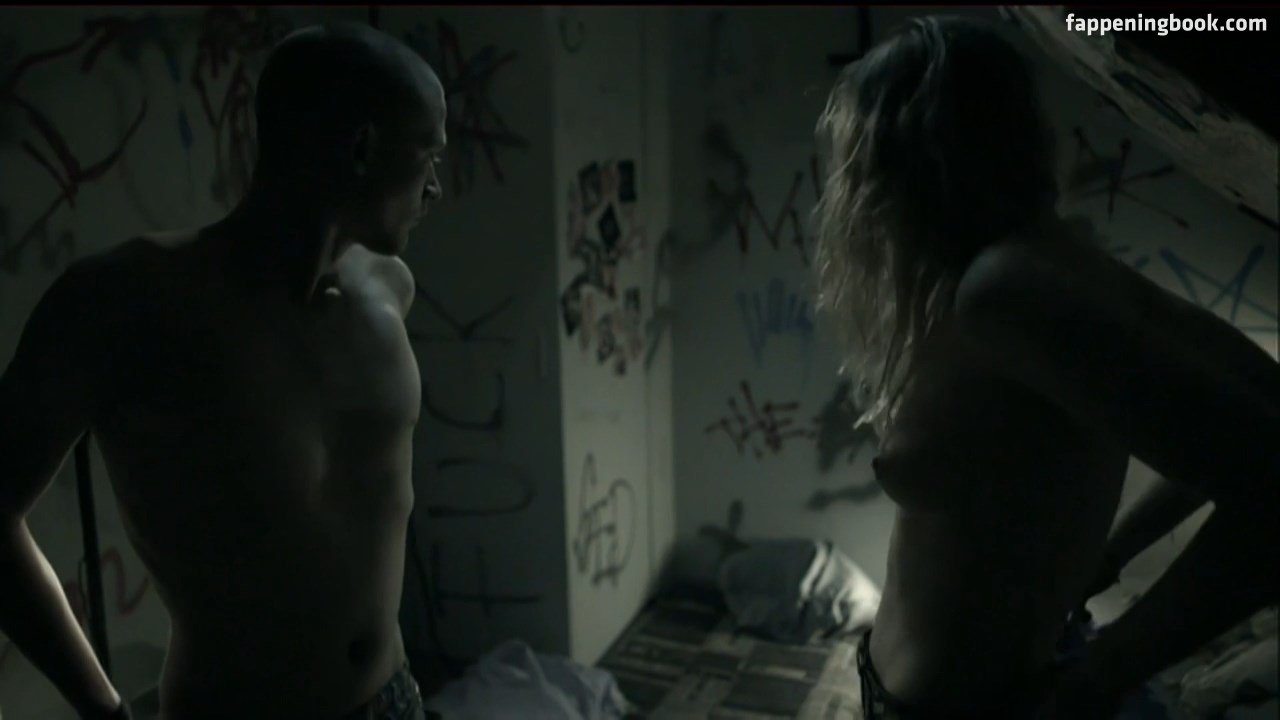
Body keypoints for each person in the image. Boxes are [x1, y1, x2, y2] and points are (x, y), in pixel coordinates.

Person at [812, 15, 1278, 719]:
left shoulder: (1007, 291)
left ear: (907, 160)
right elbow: (1246, 410)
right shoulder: (1041, 264)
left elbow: (1268, 476)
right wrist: (1112, 556)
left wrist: (1099, 677)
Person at [0, 22, 446, 720]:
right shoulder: (128, 304)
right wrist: (101, 709)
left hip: (391, 700)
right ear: (362, 148)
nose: (435, 188)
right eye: (427, 157)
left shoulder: (389, 290)